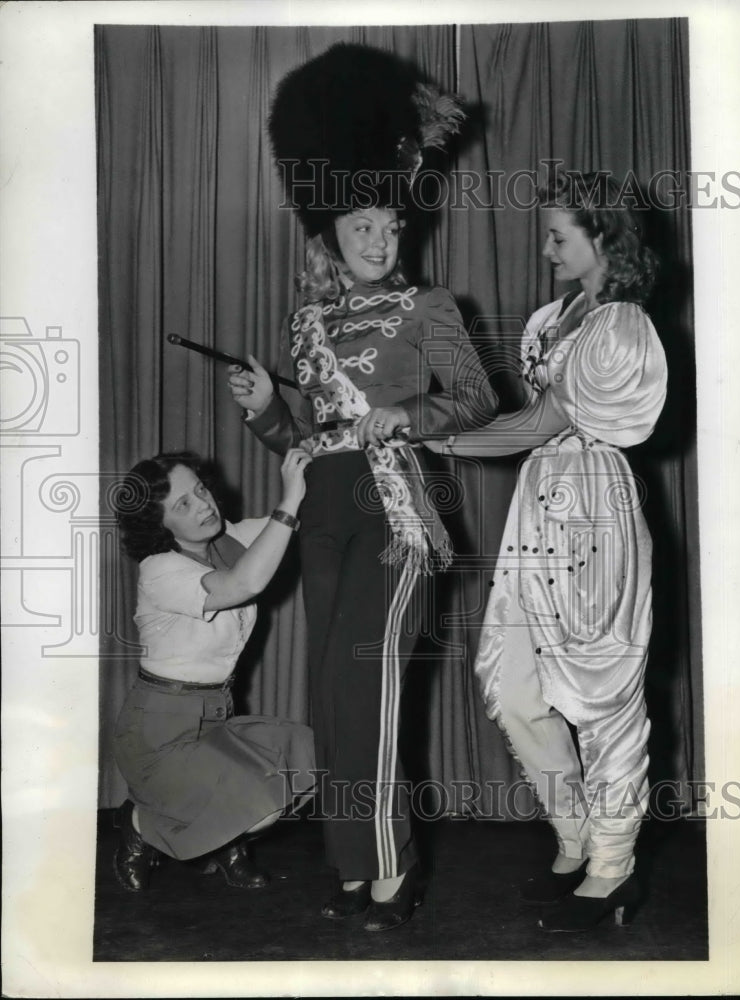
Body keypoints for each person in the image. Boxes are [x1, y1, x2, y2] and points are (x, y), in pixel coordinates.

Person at [227, 43, 498, 932]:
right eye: (362, 231)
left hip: (394, 512)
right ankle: (350, 864)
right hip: (325, 516)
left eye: (389, 226)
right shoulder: (307, 325)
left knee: (368, 686)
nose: (381, 240)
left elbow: (476, 399)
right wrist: (270, 413)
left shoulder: (432, 311)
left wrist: (409, 415)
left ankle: (392, 867)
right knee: (327, 699)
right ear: (331, 239)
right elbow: (308, 440)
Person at [427, 172, 667, 932]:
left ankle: (612, 868)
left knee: (600, 694)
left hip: (592, 511)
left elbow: (538, 424)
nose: (544, 247)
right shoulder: (555, 317)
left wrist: (438, 438)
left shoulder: (620, 327)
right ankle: (574, 835)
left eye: (559, 235)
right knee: (510, 679)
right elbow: (528, 421)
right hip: (539, 507)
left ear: (606, 239)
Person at [112, 448, 316, 892]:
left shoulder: (230, 539)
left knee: (312, 758)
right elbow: (242, 584)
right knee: (261, 809)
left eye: (200, 489)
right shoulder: (160, 569)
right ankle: (141, 823)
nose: (204, 504)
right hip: (159, 730)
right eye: (183, 504)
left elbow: (299, 516)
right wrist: (289, 499)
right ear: (158, 524)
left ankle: (224, 840)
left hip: (214, 714)